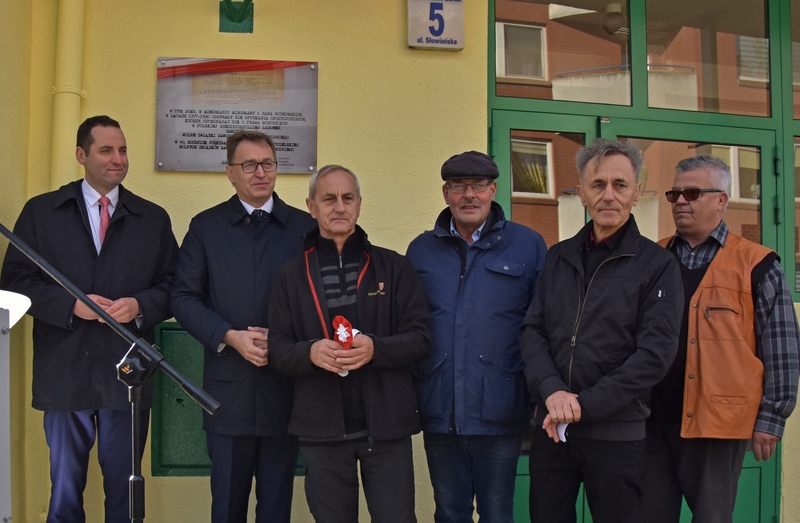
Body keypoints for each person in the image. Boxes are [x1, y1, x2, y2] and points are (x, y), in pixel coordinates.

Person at [0, 115, 179, 522]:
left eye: (123, 150)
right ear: (81, 155)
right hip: (64, 372)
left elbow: (175, 286)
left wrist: (139, 305)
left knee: (126, 492)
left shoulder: (152, 218)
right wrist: (71, 306)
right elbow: (16, 282)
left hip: (128, 375)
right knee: (64, 491)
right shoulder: (42, 212)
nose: (118, 159)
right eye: (106, 150)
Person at [518, 138, 683, 522]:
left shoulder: (658, 265)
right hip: (553, 430)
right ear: (582, 193)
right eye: (598, 184)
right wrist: (552, 390)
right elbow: (533, 331)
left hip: (616, 434)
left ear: (636, 193)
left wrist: (582, 405)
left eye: (620, 185)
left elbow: (654, 355)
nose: (609, 195)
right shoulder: (558, 256)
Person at [639, 154, 800, 523]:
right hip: (652, 421)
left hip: (718, 427)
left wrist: (771, 417)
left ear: (721, 200)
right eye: (675, 194)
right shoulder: (652, 258)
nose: (680, 201)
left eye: (692, 193)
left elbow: (782, 347)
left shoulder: (757, 264)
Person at [267, 164, 431, 522]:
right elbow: (277, 350)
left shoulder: (394, 267)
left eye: (348, 198)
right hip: (321, 430)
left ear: (359, 204)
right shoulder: (290, 275)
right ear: (312, 207)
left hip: (387, 428)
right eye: (329, 199)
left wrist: (376, 349)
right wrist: (309, 353)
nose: (339, 207)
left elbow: (420, 338)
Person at [170, 130, 315, 523]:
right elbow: (183, 297)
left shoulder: (305, 228)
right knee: (227, 508)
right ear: (230, 172)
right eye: (249, 164)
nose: (260, 172)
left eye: (268, 163)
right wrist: (228, 336)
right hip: (227, 393)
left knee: (276, 509)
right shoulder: (206, 227)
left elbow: (319, 300)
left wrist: (284, 340)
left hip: (285, 390)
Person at [405, 150, 547, 522]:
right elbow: (409, 326)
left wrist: (540, 394)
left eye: (479, 185)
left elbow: (543, 325)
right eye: (458, 186)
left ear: (493, 190)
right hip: (440, 407)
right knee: (449, 512)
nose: (469, 195)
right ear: (445, 193)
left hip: (501, 407)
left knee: (497, 512)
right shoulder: (421, 251)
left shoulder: (528, 245)